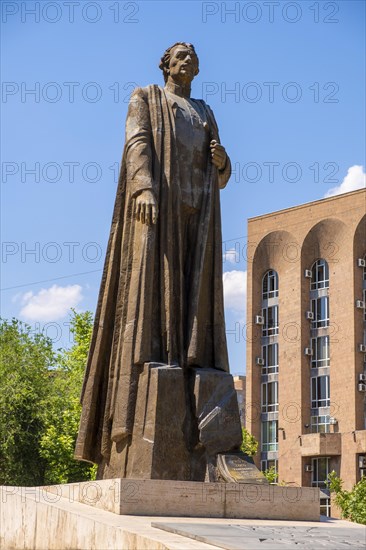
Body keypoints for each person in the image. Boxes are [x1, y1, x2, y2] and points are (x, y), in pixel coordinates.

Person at [75, 43, 232, 465]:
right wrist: (143, 186)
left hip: (198, 213)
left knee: (196, 300)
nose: (189, 61)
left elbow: (221, 171)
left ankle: (197, 395)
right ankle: (151, 376)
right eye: (181, 55)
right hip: (158, 208)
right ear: (166, 64)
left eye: (194, 57)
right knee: (150, 294)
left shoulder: (203, 109)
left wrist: (222, 163)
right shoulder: (145, 96)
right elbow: (137, 141)